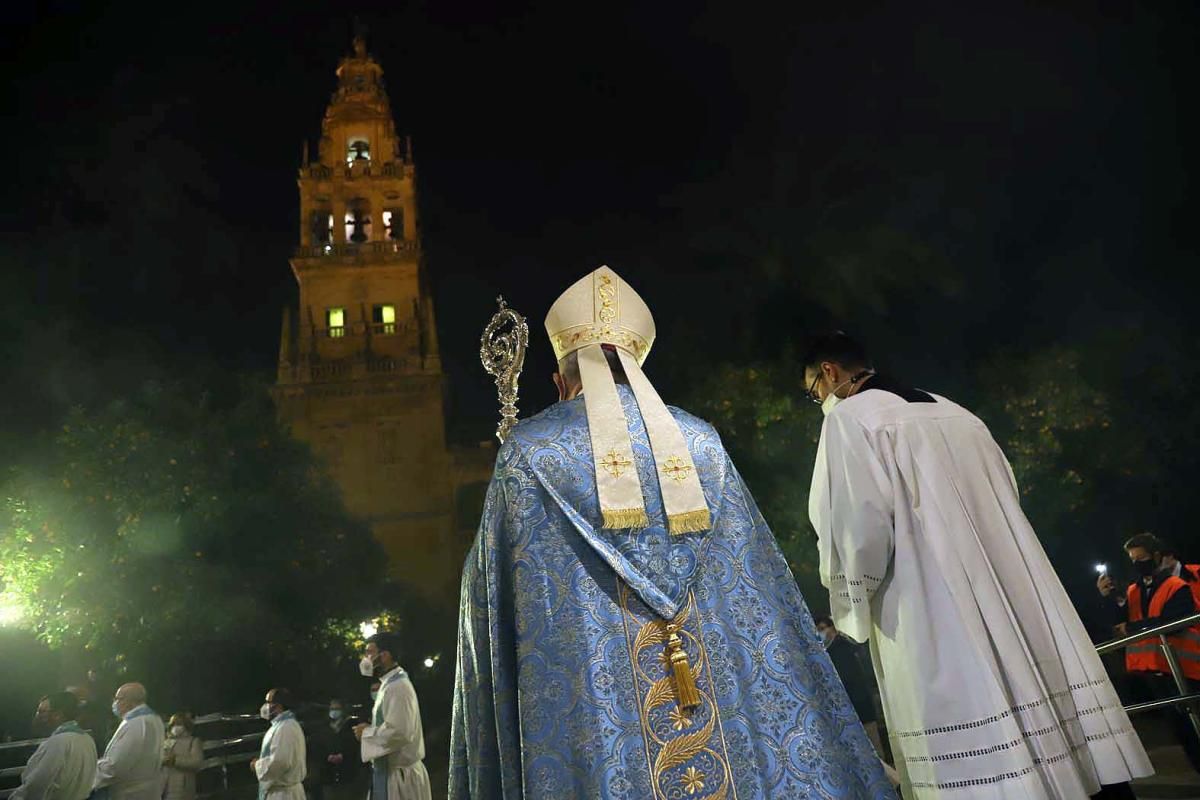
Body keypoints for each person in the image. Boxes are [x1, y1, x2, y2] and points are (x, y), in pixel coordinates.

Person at [450, 267, 894, 799]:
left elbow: (489, 603)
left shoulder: (529, 454)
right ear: (637, 368)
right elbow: (759, 598)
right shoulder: (701, 445)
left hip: (596, 729)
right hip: (720, 716)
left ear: (560, 381)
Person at [803, 332, 1152, 799]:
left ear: (830, 372)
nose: (819, 402)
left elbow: (857, 530)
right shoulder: (957, 412)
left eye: (813, 393)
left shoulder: (849, 419)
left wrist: (848, 601)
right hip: (1017, 590)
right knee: (1062, 734)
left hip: (933, 605)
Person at [1098, 532, 1200, 772]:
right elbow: (1119, 623)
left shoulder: (1177, 585)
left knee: (1193, 725)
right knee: (1184, 733)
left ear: (1156, 556)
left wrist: (1133, 626)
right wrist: (1109, 599)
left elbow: (1177, 620)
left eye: (1141, 558)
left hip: (1186, 669)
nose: (1137, 564)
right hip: (1155, 671)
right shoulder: (1134, 590)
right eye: (1132, 560)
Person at [354, 632, 430, 800]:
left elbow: (400, 732)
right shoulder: (388, 684)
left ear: (385, 655)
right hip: (390, 774)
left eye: (370, 653)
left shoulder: (398, 687)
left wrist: (367, 732)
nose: (366, 659)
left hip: (401, 780)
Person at [814, 616, 894, 769]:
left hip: (862, 707)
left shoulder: (845, 647)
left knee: (875, 756)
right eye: (818, 630)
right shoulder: (827, 653)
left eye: (823, 628)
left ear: (833, 627)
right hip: (849, 711)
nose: (822, 633)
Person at [12, 692, 97, 800]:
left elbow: (36, 784)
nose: (38, 715)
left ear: (57, 715)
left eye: (42, 712)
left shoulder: (58, 743)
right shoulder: (87, 739)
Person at [93, 683, 164, 800]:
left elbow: (116, 766)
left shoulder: (136, 723)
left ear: (128, 701)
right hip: (147, 790)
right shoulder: (153, 718)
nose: (115, 703)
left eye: (117, 699)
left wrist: (88, 775)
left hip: (130, 793)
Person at [251, 689, 306, 800]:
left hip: (283, 794)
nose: (265, 706)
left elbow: (280, 762)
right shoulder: (285, 725)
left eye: (268, 702)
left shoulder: (285, 728)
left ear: (278, 706)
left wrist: (257, 765)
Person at [306, 699, 361, 800]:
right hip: (327, 776)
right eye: (332, 708)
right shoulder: (323, 727)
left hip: (347, 775)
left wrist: (343, 756)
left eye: (337, 708)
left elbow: (355, 747)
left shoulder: (351, 726)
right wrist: (326, 757)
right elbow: (317, 747)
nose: (334, 711)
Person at [161, 713, 205, 800]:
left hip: (183, 789)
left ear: (186, 725)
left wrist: (175, 760)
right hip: (164, 788)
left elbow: (197, 763)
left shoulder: (193, 741)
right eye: (173, 724)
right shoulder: (166, 742)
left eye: (179, 724)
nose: (175, 727)